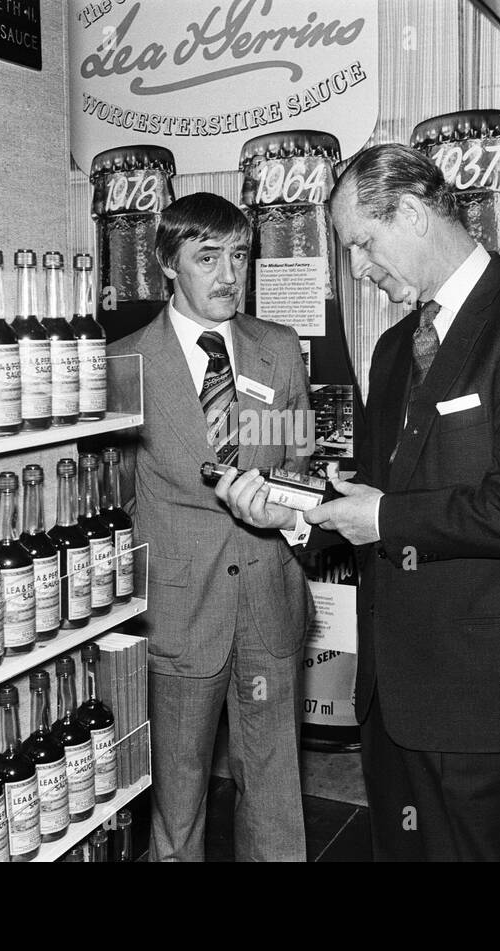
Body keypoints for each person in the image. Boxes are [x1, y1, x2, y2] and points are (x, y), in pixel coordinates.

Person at [220, 143, 500, 861]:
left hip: (487, 705)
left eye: (362, 244)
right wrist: (291, 512)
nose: (358, 270)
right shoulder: (394, 349)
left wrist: (385, 516)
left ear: (416, 214)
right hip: (390, 699)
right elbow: (367, 494)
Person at [108, 191, 314, 861]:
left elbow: (301, 468)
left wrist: (291, 514)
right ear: (167, 262)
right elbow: (110, 501)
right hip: (177, 611)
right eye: (207, 257)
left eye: (239, 255)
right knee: (179, 796)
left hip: (268, 602)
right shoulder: (124, 365)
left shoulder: (278, 351)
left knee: (275, 791)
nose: (228, 275)